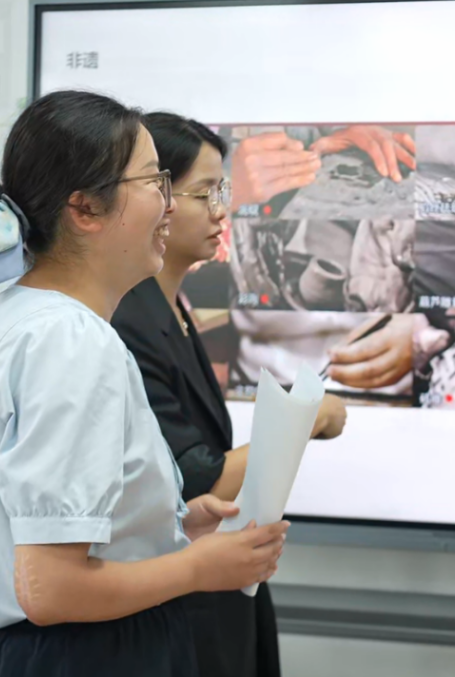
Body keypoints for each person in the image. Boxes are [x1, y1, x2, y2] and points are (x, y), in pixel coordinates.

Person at [0, 91, 289, 677]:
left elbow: (31, 531)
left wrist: (167, 525)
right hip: (84, 654)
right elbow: (52, 588)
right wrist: (199, 568)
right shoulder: (71, 340)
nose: (171, 206)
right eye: (155, 183)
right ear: (85, 209)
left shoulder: (29, 318)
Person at [111, 112, 349, 677]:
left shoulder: (172, 307)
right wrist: (308, 416)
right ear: (154, 197)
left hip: (215, 588)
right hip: (182, 600)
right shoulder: (129, 319)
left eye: (223, 192)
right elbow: (198, 477)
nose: (222, 211)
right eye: (204, 194)